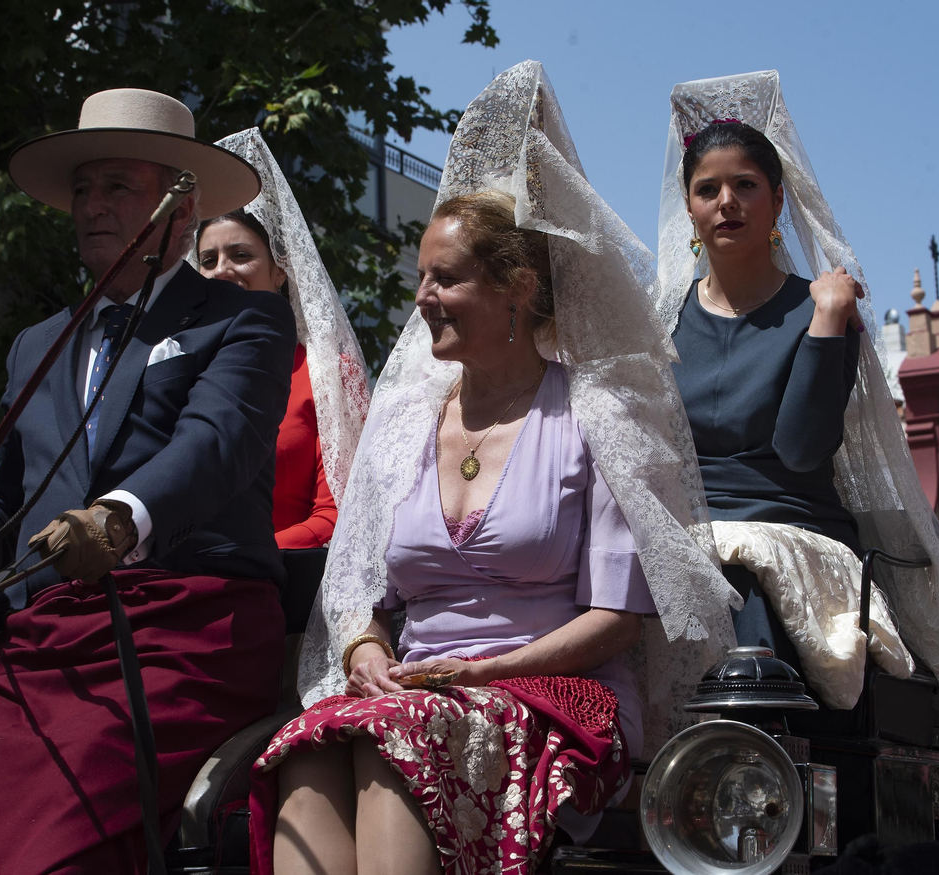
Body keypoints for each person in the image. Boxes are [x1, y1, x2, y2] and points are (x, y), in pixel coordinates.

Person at [249, 62, 737, 875]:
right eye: (421, 277)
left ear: (517, 289)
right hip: (418, 693)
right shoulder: (404, 423)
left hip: (556, 689)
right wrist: (366, 649)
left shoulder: (597, 415)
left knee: (394, 738)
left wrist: (482, 669)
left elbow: (618, 619)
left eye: (446, 278)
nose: (421, 298)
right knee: (304, 748)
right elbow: (360, 591)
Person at [0, 88, 295, 873]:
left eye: (118, 186)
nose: (93, 206)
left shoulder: (243, 319)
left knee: (61, 829)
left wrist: (118, 517)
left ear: (181, 211)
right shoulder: (36, 344)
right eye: (83, 189)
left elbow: (214, 443)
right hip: (42, 639)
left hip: (184, 629)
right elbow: (3, 486)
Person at [655, 71, 939, 747]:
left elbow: (802, 449)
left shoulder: (817, 309)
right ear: (689, 208)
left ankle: (762, 766)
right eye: (708, 189)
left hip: (791, 531)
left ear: (777, 200)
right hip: (688, 537)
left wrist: (829, 320)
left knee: (743, 582)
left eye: (746, 185)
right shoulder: (664, 322)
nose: (726, 202)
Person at [195, 129, 371, 550]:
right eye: (208, 260)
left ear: (280, 270)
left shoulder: (327, 375)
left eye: (240, 255)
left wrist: (241, 558)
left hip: (279, 577)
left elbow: (340, 513)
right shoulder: (176, 368)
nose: (221, 270)